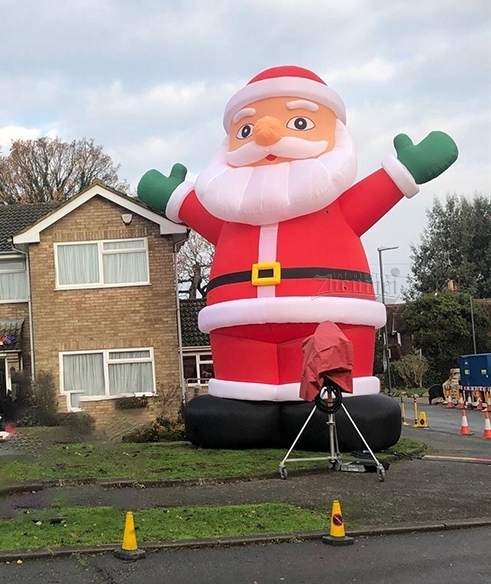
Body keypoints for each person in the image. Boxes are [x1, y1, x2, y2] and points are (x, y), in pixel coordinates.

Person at [138, 65, 458, 448]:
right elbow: (194, 207)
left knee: (329, 398)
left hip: (325, 318)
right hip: (238, 328)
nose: (267, 135)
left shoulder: (337, 207)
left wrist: (406, 169)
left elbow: (382, 189)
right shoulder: (231, 212)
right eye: (246, 130)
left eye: (301, 122)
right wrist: (174, 196)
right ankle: (242, 410)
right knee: (237, 407)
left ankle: (330, 413)